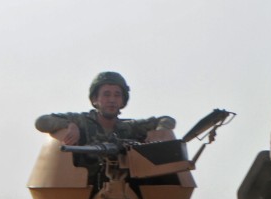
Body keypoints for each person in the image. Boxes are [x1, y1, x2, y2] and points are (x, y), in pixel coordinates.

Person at [35, 71, 176, 186]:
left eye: (117, 95)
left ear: (122, 101)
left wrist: (161, 131)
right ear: (95, 99)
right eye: (106, 94)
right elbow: (41, 122)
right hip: (81, 192)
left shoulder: (129, 128)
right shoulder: (81, 121)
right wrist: (69, 125)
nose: (112, 100)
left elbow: (167, 119)